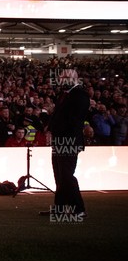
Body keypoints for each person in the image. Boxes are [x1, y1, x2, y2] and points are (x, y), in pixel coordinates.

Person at [41, 69, 90, 217]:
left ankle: (79, 209)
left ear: (74, 78)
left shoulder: (79, 95)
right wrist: (49, 128)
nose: (61, 79)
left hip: (69, 140)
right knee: (60, 174)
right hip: (60, 140)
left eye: (65, 77)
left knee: (67, 175)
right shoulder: (65, 95)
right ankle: (60, 208)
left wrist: (54, 129)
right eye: (61, 77)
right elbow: (58, 116)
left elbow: (73, 120)